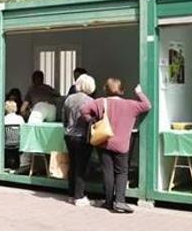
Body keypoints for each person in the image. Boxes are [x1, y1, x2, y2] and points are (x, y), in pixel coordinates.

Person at [82, 78, 151, 214]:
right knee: (121, 172)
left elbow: (84, 110)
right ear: (122, 90)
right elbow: (147, 105)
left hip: (104, 142)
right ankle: (120, 201)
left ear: (105, 90)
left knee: (107, 172)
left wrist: (93, 120)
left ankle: (108, 201)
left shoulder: (100, 102)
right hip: (122, 145)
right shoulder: (131, 105)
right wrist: (139, 92)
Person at [63, 74, 96, 206]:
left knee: (73, 164)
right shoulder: (90, 101)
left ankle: (71, 194)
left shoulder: (68, 99)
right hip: (83, 136)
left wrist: (66, 129)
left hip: (69, 135)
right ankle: (79, 196)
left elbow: (64, 118)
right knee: (82, 166)